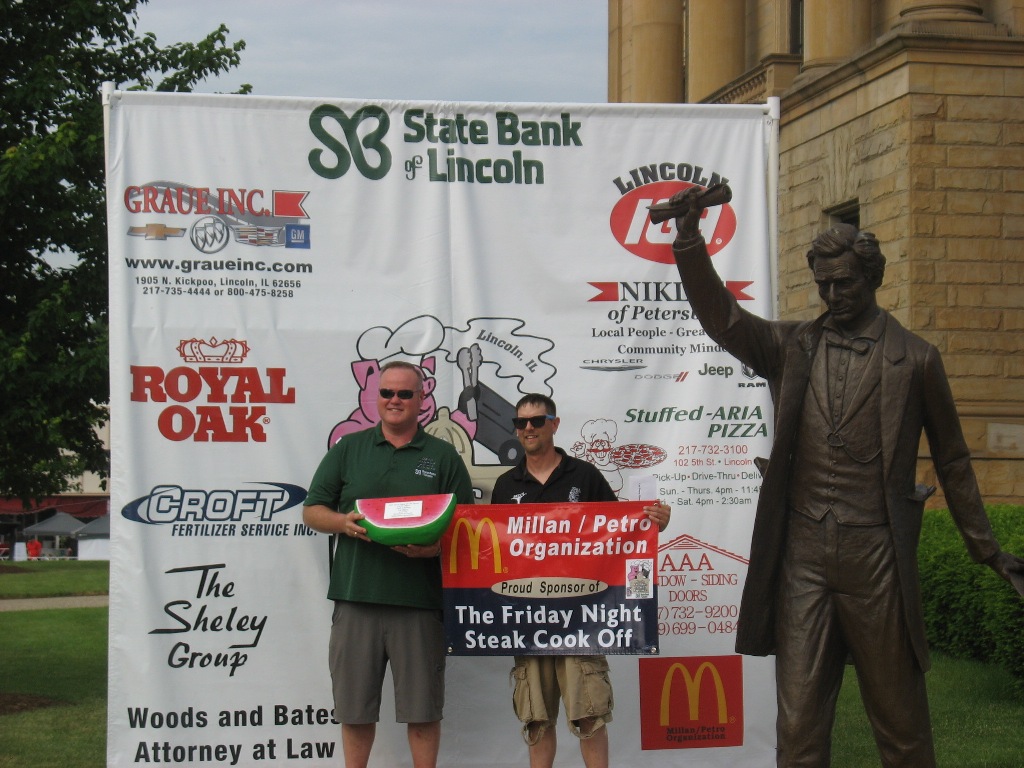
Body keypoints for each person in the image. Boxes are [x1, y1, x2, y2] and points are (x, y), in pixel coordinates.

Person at [668, 188, 1024, 767]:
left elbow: (954, 460)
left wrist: (986, 549)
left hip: (876, 557)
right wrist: (689, 241)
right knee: (799, 730)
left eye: (844, 284)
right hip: (804, 558)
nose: (832, 296)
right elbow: (724, 319)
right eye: (824, 285)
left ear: (872, 278)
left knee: (901, 726)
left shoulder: (917, 360)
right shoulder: (791, 346)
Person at [302, 360, 475, 768]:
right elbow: (312, 510)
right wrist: (342, 523)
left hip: (418, 603)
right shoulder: (349, 449)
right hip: (356, 598)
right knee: (355, 711)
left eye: (404, 393)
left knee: (423, 711)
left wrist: (433, 550)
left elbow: (466, 527)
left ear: (422, 399)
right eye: (386, 392)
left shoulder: (443, 456)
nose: (394, 400)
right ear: (376, 397)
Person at [491, 393, 670, 768]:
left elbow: (623, 532)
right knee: (536, 721)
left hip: (583, 620)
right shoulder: (506, 485)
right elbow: (494, 553)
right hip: (528, 622)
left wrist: (654, 523)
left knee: (590, 717)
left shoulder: (585, 475)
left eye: (537, 420)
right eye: (521, 422)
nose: (528, 428)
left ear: (554, 424)